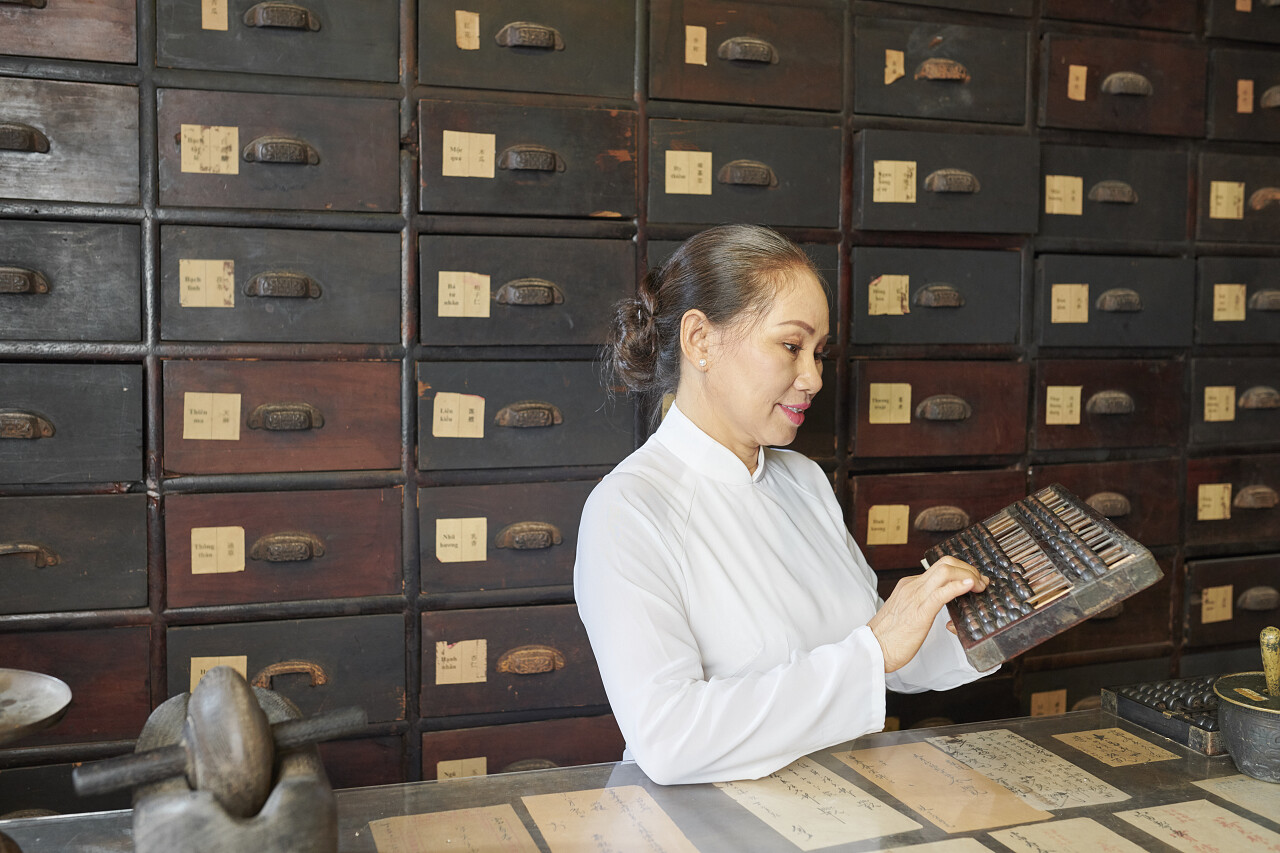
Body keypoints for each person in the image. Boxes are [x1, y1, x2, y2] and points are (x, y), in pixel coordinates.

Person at [574, 224, 996, 786]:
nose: (814, 378)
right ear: (700, 340)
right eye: (792, 347)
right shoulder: (627, 510)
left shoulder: (803, 480)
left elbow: (887, 663)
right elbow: (670, 738)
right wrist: (872, 649)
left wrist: (1004, 619)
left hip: (843, 807)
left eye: (818, 353)